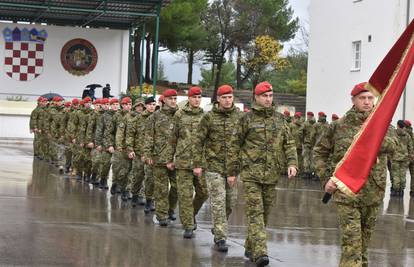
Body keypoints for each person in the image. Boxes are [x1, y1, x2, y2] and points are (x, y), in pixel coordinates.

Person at [313, 82, 396, 267]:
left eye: (370, 98)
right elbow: (319, 152)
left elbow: (396, 147)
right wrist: (326, 179)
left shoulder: (383, 125)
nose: (367, 102)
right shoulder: (338, 126)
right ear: (353, 100)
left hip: (373, 192)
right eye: (362, 98)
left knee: (363, 246)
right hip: (346, 193)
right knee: (351, 245)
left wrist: (375, 138)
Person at [236, 81, 297, 267]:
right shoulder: (246, 119)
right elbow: (234, 145)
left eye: (270, 96)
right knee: (256, 212)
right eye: (264, 96)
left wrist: (292, 162)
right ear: (256, 97)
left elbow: (289, 143)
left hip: (271, 174)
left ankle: (250, 243)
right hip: (251, 175)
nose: (268, 99)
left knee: (265, 215)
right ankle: (260, 252)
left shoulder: (280, 120)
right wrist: (232, 171)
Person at [193, 84, 242, 252]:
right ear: (218, 99)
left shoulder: (241, 117)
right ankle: (220, 237)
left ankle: (218, 226)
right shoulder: (209, 117)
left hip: (233, 169)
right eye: (224, 97)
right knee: (218, 202)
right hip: (213, 167)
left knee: (230, 202)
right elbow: (198, 141)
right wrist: (197, 164)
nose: (228, 100)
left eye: (230, 97)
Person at [167, 86, 208, 238]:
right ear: (189, 98)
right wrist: (170, 159)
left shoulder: (205, 116)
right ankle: (188, 225)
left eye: (199, 97)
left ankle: (191, 214)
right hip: (183, 162)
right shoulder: (179, 115)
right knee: (184, 194)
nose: (197, 100)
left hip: (200, 163)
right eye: (194, 97)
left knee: (204, 192)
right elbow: (173, 138)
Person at [143, 90, 179, 226]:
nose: (173, 101)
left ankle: (170, 209)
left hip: (176, 159)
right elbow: (148, 137)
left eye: (175, 99)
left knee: (176, 187)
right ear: (164, 100)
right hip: (158, 157)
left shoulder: (180, 115)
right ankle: (162, 215)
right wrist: (147, 155)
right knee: (161, 188)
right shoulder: (155, 117)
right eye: (170, 99)